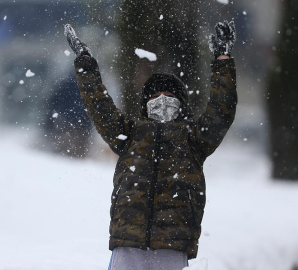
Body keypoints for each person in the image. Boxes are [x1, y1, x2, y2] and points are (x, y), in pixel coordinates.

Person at [64, 21, 237, 270]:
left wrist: (222, 59)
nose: (162, 101)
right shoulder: (130, 133)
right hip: (128, 242)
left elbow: (222, 110)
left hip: (173, 244)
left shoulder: (194, 138)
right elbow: (100, 107)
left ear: (182, 104)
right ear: (145, 105)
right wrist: (85, 63)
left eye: (169, 96)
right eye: (155, 97)